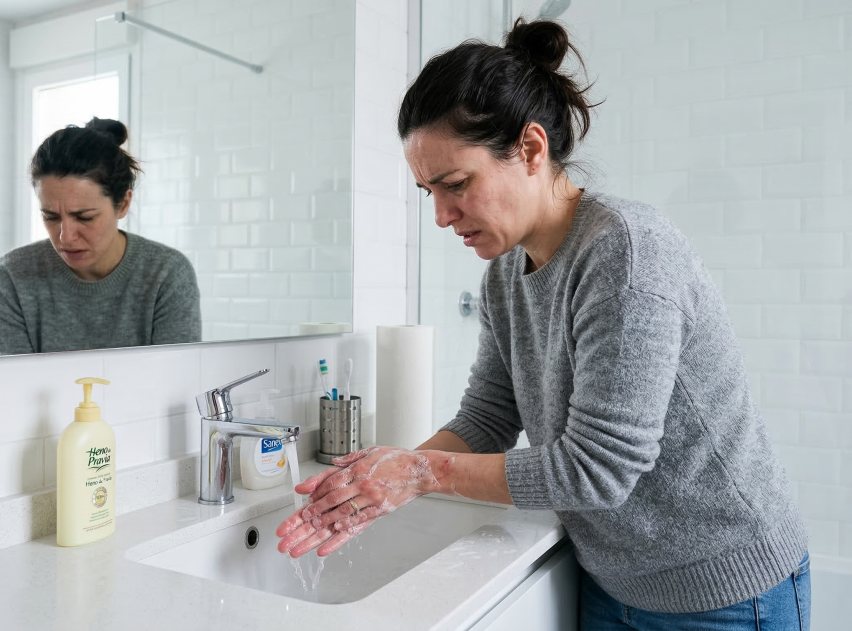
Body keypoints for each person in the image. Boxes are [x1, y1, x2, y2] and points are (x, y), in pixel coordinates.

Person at [275, 18, 810, 631]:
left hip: (724, 589)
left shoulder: (626, 252)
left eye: (456, 185)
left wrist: (420, 475)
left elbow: (598, 469)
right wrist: (379, 482)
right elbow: (487, 418)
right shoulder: (504, 275)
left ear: (530, 149)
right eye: (429, 193)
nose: (444, 216)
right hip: (612, 580)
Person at [0, 118, 201, 355]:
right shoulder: (13, 275)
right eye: (51, 217)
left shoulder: (167, 273)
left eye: (84, 217)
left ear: (123, 204)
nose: (65, 237)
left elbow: (176, 381)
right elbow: (8, 384)